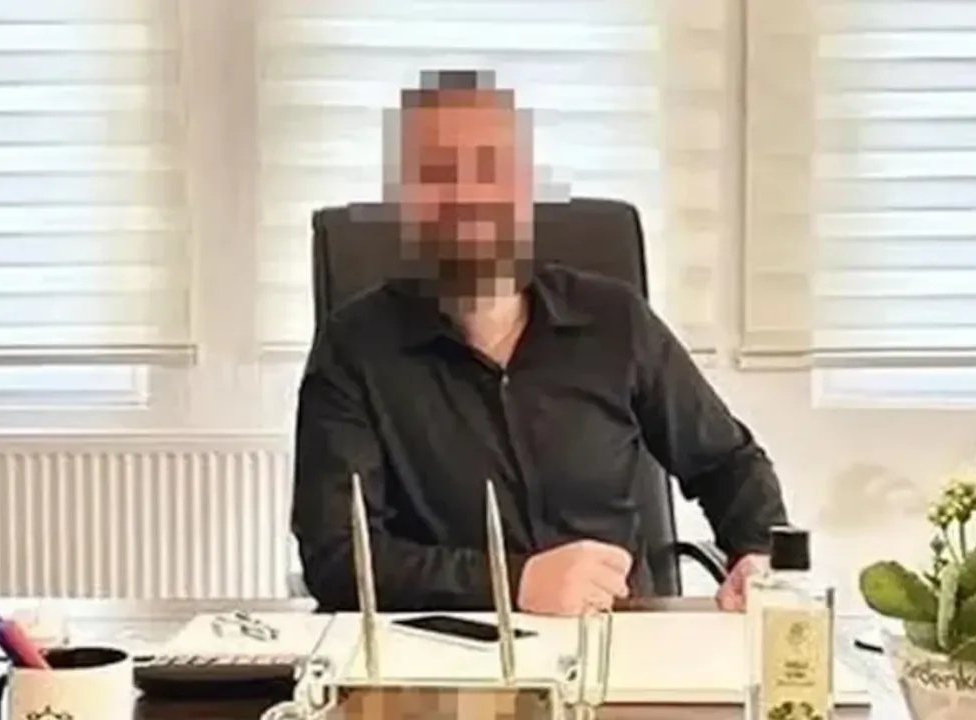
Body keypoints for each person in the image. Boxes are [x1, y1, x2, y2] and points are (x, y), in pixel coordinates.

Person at [290, 69, 789, 616]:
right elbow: (337, 557)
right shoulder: (354, 350)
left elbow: (728, 463)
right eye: (438, 174)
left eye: (489, 169)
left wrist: (757, 553)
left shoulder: (615, 321)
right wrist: (515, 583)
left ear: (523, 189)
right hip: (448, 646)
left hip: (618, 642)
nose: (467, 196)